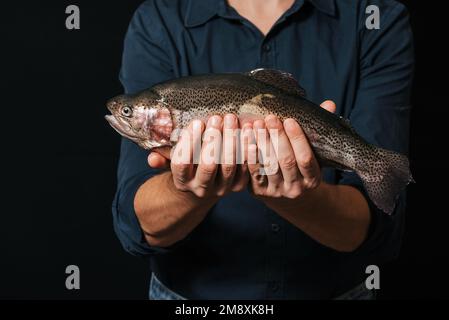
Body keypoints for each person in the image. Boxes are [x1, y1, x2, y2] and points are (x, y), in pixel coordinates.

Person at [112, 0, 413, 299]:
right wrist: (187, 189)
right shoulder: (157, 20)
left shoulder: (375, 17)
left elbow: (380, 233)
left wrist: (300, 198)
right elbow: (138, 226)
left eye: (128, 112)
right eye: (129, 112)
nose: (122, 113)